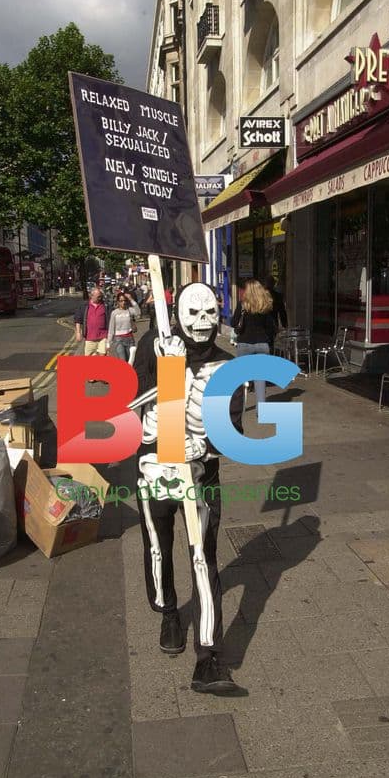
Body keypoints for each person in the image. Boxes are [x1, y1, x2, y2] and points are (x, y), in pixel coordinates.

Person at [134, 282, 246, 697]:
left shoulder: (228, 367)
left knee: (204, 557)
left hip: (201, 475)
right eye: (194, 313)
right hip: (154, 470)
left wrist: (205, 444)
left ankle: (208, 658)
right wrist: (166, 371)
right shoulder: (153, 345)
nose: (203, 322)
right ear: (177, 314)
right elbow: (129, 402)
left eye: (210, 313)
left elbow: (233, 427)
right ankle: (168, 613)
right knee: (158, 547)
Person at [231, 279, 275, 406]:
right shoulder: (265, 305)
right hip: (262, 344)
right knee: (260, 378)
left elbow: (234, 323)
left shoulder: (242, 304)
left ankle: (239, 405)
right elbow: (270, 327)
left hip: (244, 344)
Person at [74, 285, 108, 356]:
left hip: (103, 337)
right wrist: (78, 332)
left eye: (100, 296)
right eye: (98, 297)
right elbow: (78, 320)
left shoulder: (105, 305)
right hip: (90, 338)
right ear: (91, 296)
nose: (100, 298)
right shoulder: (84, 306)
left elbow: (110, 318)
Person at [107, 291, 140, 362]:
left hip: (130, 338)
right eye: (121, 301)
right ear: (118, 302)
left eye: (125, 300)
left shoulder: (129, 310)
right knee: (123, 360)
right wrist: (108, 342)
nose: (123, 302)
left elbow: (138, 312)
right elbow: (111, 328)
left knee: (131, 361)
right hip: (119, 340)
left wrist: (131, 299)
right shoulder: (114, 313)